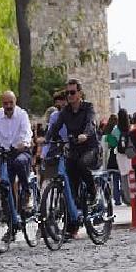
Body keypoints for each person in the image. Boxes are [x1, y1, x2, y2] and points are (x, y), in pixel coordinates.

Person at [0, 91, 33, 229]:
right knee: (5, 186)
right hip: (5, 155)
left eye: (11, 103)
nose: (8, 106)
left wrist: (25, 142)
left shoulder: (22, 114)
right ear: (2, 104)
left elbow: (27, 131)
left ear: (15, 102)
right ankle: (11, 224)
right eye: (5, 103)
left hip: (21, 152)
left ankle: (27, 192)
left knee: (19, 163)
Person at [46, 79, 99, 207]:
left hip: (90, 148)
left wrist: (85, 134)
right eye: (67, 93)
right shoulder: (65, 111)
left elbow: (91, 123)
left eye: (72, 92)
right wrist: (46, 138)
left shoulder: (88, 107)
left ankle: (93, 193)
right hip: (74, 149)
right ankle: (73, 205)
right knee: (69, 170)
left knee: (81, 164)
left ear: (79, 93)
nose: (69, 96)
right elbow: (55, 126)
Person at [40, 91, 68, 184]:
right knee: (52, 164)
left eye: (62, 105)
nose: (61, 109)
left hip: (71, 142)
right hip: (58, 143)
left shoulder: (71, 114)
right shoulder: (54, 116)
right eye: (58, 107)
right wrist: (44, 152)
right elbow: (50, 132)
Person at [102, 114, 123, 205]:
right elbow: (117, 144)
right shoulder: (117, 130)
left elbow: (106, 146)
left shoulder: (106, 132)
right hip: (117, 156)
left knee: (113, 180)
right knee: (120, 179)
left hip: (110, 158)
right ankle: (121, 198)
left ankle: (115, 199)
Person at [115, 109, 131, 204]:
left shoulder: (115, 130)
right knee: (131, 175)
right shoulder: (130, 128)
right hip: (129, 153)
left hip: (120, 154)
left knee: (124, 176)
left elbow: (112, 143)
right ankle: (134, 195)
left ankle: (127, 197)